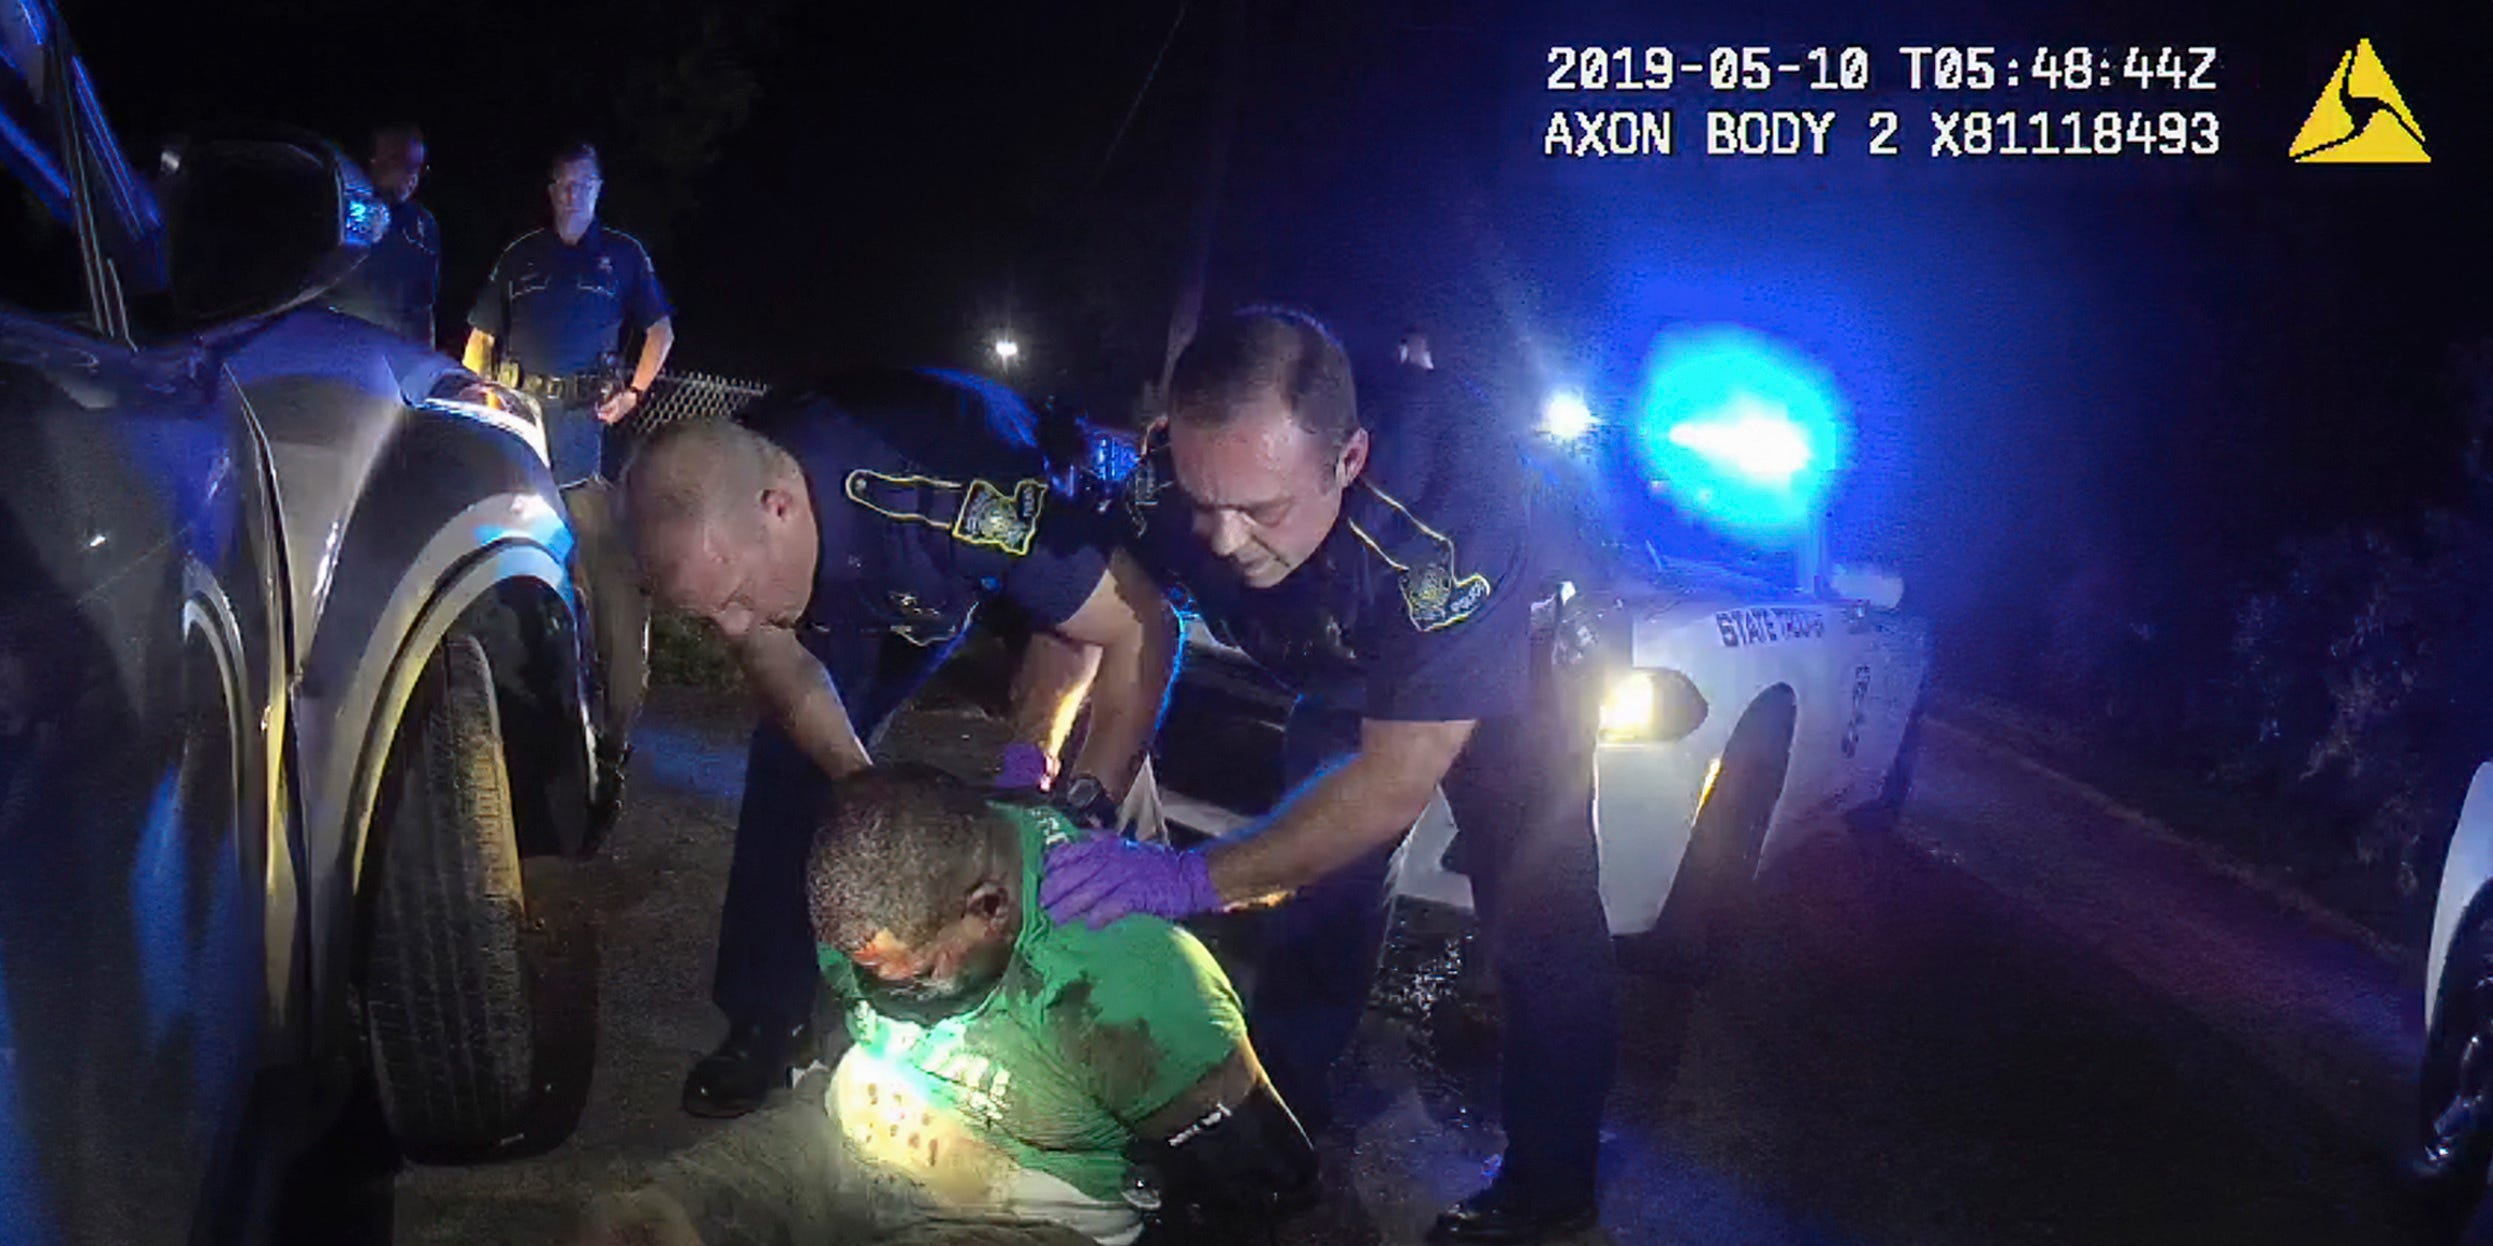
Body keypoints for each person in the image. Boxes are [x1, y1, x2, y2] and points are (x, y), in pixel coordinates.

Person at [1039, 308, 1612, 1244]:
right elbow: (1100, 613)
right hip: (1345, 660)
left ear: (1345, 462)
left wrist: (1191, 877)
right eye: (1200, 500)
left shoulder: (1438, 524)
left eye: (1260, 511)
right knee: (1318, 898)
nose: (1219, 541)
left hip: (1518, 672)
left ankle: (1550, 1188)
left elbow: (1395, 781)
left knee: (1538, 919)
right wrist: (1064, 775)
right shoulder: (1178, 486)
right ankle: (1280, 1135)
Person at [620, 368, 1179, 1118]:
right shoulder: (741, 516)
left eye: (730, 601)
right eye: (706, 616)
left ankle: (1139, 1038)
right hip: (841, 594)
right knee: (790, 769)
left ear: (778, 508)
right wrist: (862, 791)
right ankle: (765, 1019)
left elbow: (1124, 628)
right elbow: (783, 670)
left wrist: (1064, 790)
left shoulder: (959, 491)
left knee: (1099, 788)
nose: (728, 628)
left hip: (945, 567)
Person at [574, 769, 1315, 1246]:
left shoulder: (1131, 986)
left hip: (1026, 1213)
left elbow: (1257, 1191)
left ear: (989, 909)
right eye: (872, 974)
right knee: (632, 1229)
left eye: (918, 975)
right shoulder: (874, 894)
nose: (892, 995)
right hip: (842, 1139)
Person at [463, 143, 676, 484]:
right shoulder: (520, 254)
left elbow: (660, 331)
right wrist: (481, 402)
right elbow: (481, 337)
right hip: (517, 414)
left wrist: (633, 394)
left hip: (584, 423)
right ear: (551, 191)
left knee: (576, 519)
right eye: (565, 184)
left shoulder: (624, 255)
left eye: (584, 184)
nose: (573, 194)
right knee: (511, 506)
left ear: (599, 189)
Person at [325, 125, 439, 344]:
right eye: (404, 164)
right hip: (338, 348)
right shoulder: (341, 209)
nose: (412, 177)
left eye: (418, 167)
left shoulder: (423, 225)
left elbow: (424, 305)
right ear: (375, 159)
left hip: (397, 358)